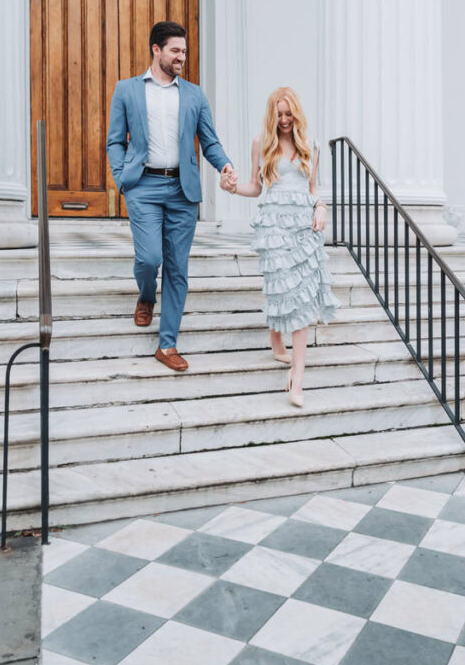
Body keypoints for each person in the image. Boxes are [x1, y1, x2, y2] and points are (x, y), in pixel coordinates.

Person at [106, 21, 237, 371]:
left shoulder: (194, 94)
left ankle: (167, 346)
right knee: (150, 258)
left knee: (178, 268)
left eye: (184, 51)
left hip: (182, 190)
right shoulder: (127, 90)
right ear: (156, 50)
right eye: (175, 50)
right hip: (143, 187)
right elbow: (115, 140)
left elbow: (209, 140)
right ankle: (147, 295)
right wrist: (122, 177)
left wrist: (224, 165)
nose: (182, 57)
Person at [225, 87, 338, 406]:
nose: (285, 120)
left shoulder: (309, 145)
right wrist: (233, 188)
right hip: (274, 227)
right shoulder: (261, 144)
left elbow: (313, 189)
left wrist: (321, 207)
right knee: (280, 291)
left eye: (290, 114)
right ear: (272, 115)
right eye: (280, 114)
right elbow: (255, 187)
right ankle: (276, 338)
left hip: (304, 227)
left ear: (297, 114)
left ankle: (297, 378)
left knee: (301, 302)